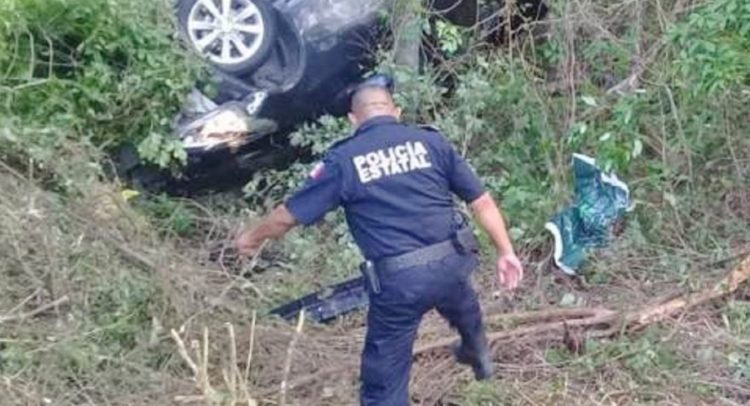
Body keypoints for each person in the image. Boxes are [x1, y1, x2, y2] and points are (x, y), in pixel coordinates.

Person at [234, 74, 524, 406]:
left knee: (383, 384)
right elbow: (482, 202)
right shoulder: (431, 143)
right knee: (459, 296)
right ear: (396, 111)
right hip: (452, 261)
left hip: (399, 282)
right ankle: (477, 348)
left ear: (353, 120)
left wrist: (250, 239)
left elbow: (288, 215)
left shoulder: (343, 160)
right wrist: (506, 252)